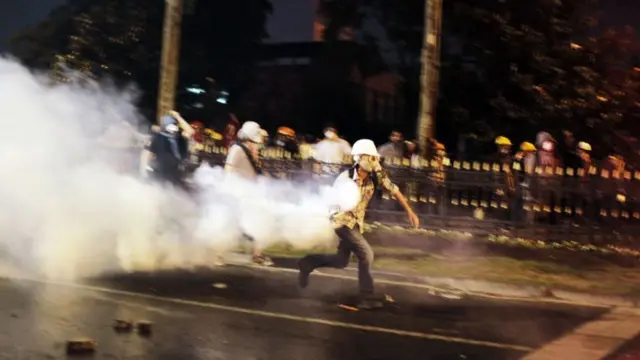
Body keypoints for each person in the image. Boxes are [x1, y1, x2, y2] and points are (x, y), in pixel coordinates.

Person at [297, 139, 420, 309]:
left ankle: (308, 263)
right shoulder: (344, 179)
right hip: (341, 222)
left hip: (355, 224)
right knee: (366, 254)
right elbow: (333, 203)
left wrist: (409, 211)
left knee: (341, 261)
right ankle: (366, 297)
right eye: (372, 158)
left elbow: (394, 189)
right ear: (361, 158)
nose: (376, 162)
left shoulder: (376, 173)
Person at [224, 121, 273, 266]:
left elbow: (255, 170)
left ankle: (257, 255)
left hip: (251, 192)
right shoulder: (237, 149)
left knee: (258, 222)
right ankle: (218, 253)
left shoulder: (253, 149)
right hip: (239, 192)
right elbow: (228, 169)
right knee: (230, 225)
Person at [140, 111, 195, 188]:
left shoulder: (180, 138)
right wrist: (143, 170)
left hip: (176, 174)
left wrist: (178, 117)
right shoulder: (157, 137)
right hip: (160, 173)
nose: (174, 127)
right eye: (171, 124)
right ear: (165, 126)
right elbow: (146, 154)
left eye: (175, 124)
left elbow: (191, 131)